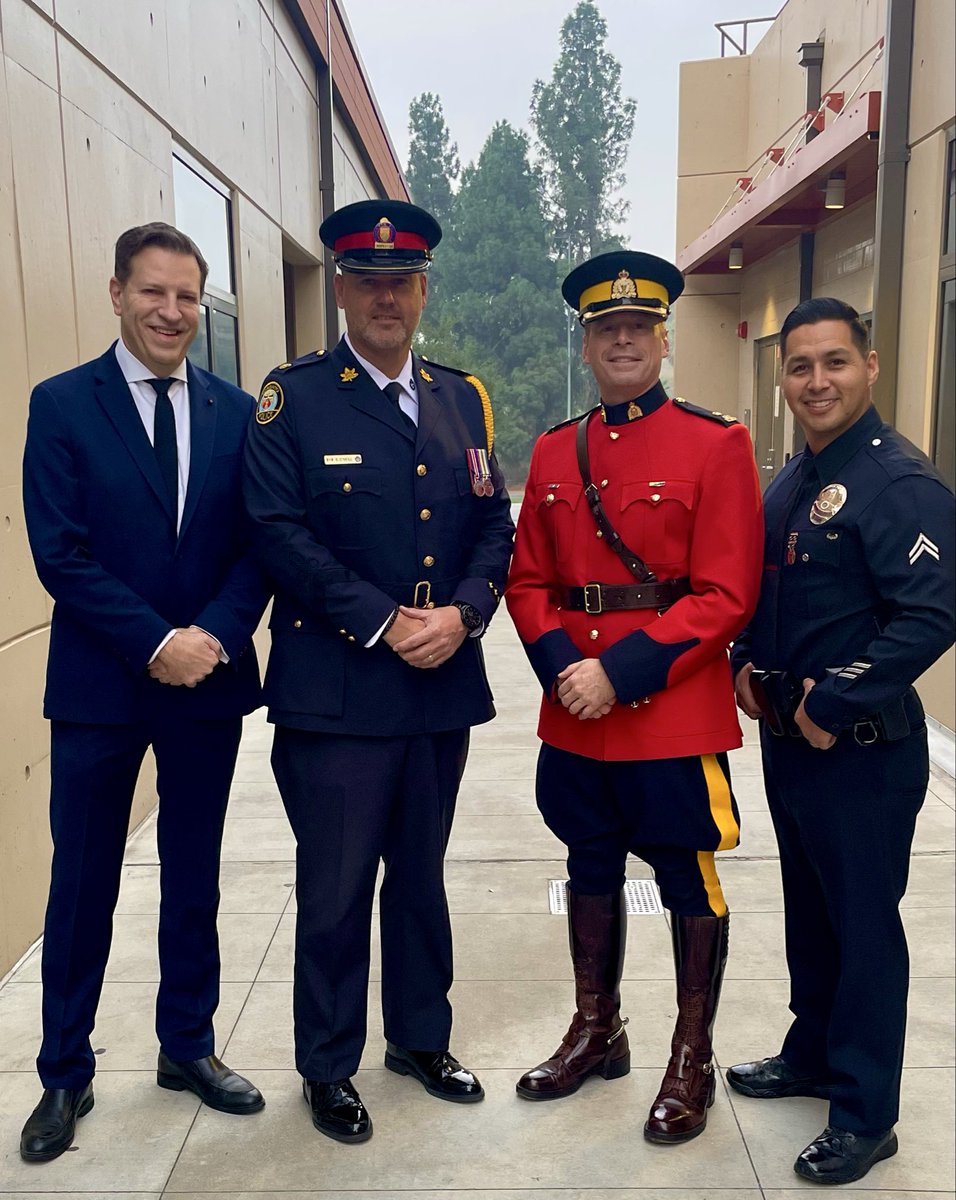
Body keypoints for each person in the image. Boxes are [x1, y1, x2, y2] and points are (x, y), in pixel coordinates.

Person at [242, 198, 514, 1143]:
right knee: (336, 887)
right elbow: (275, 530)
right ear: (343, 291)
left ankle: (419, 1038)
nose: (386, 296)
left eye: (402, 281)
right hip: (339, 691)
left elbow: (491, 526)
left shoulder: (461, 398)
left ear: (424, 288)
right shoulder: (295, 398)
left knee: (422, 878)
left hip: (439, 685)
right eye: (368, 280)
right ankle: (326, 1065)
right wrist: (384, 621)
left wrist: (466, 614)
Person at [19, 223, 269, 1163]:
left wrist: (211, 636)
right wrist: (155, 640)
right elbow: (59, 552)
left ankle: (189, 1045)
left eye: (188, 297)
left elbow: (258, 544)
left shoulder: (239, 413)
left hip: (206, 679)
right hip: (101, 686)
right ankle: (63, 1073)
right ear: (116, 294)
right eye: (154, 292)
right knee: (81, 884)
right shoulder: (61, 405)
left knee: (196, 873)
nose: (173, 312)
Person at [505, 250, 764, 1144]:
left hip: (669, 713)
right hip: (575, 716)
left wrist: (621, 673)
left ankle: (691, 1054)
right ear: (587, 343)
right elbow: (528, 580)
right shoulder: (550, 450)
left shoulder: (716, 442)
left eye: (638, 328)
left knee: (689, 879)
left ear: (662, 338)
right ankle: (597, 1027)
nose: (622, 340)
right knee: (588, 866)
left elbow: (727, 593)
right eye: (605, 329)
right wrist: (562, 672)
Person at [726, 297, 955, 1185]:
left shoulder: (899, 481)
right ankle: (814, 1052)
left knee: (863, 928)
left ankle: (867, 1113)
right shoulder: (794, 476)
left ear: (870, 367)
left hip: (860, 750)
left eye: (833, 362)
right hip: (793, 744)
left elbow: (931, 614)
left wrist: (841, 694)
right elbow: (766, 590)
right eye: (800, 366)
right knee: (813, 916)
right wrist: (747, 660)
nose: (816, 380)